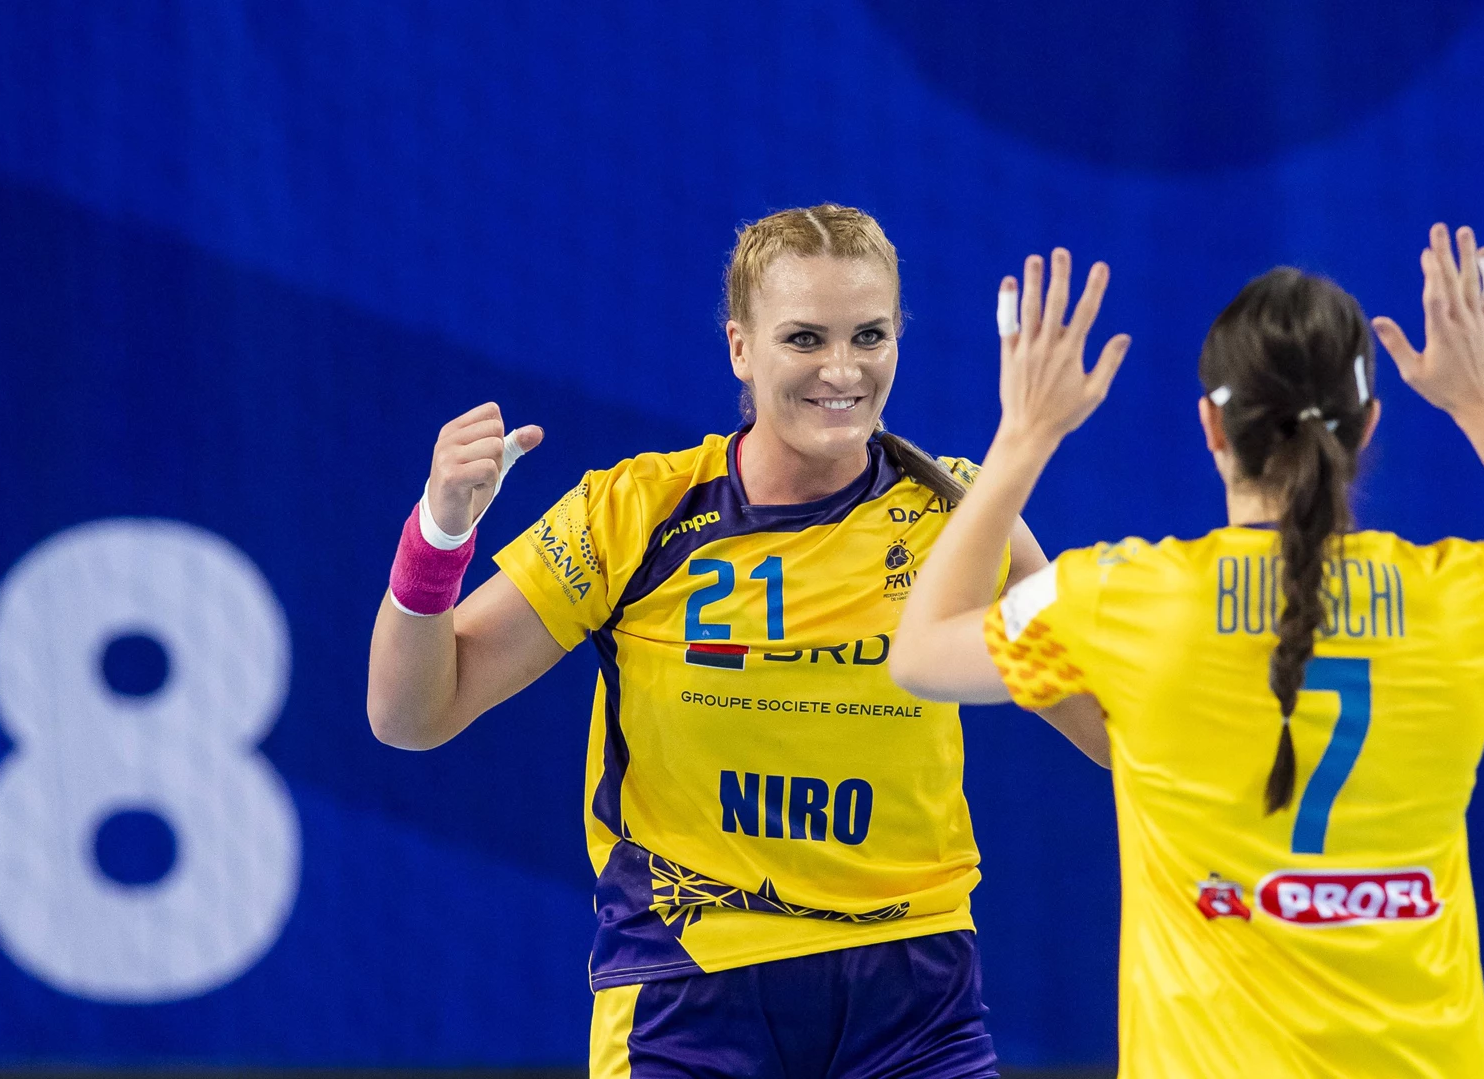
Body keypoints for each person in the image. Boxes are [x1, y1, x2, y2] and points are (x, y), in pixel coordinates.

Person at [890, 225, 1484, 1075]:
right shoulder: (1463, 596)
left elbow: (919, 654)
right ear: (1367, 426)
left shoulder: (1127, 597)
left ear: (1213, 428)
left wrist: (1024, 436)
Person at [367, 204, 1106, 1078]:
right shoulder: (633, 514)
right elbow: (412, 714)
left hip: (915, 992)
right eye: (804, 339)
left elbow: (1113, 731)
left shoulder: (963, 514)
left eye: (870, 336)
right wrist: (440, 535)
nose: (843, 370)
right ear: (740, 350)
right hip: (691, 989)